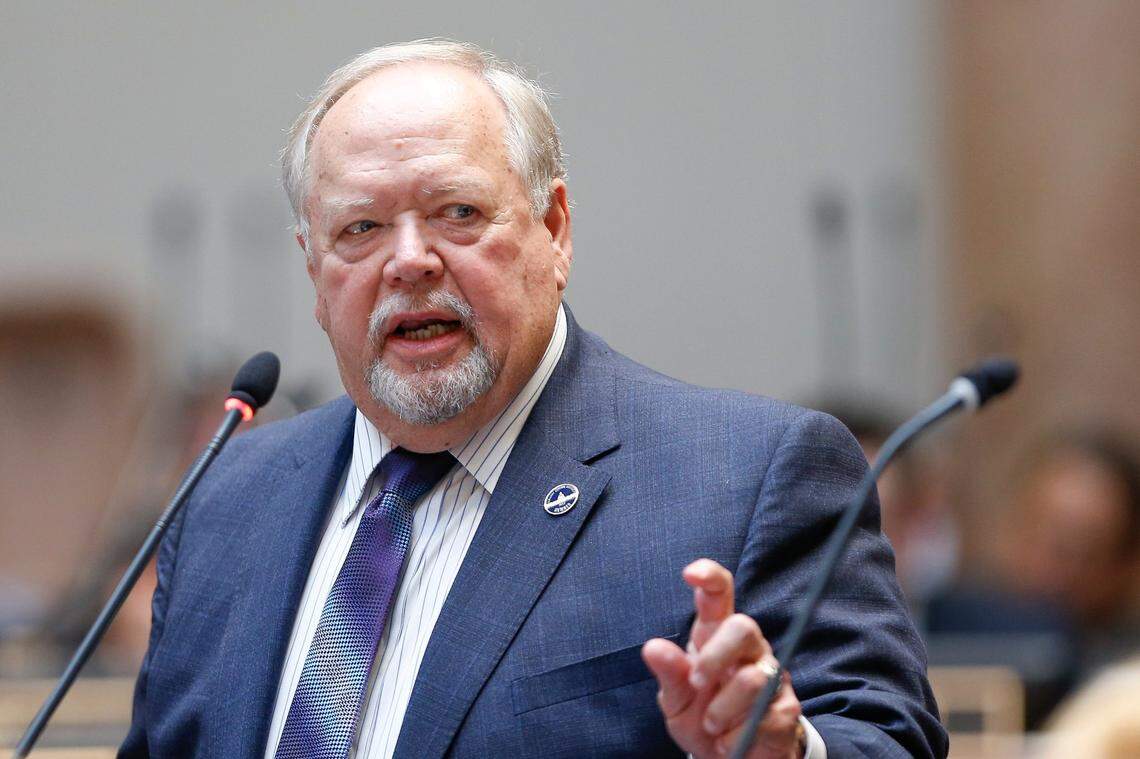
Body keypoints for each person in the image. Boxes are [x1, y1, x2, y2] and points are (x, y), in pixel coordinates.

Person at [121, 40, 946, 758]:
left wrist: (782, 752)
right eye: (360, 230)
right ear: (314, 268)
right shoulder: (225, 498)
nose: (409, 261)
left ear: (555, 231)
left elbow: (886, 736)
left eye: (457, 211)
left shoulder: (750, 477)